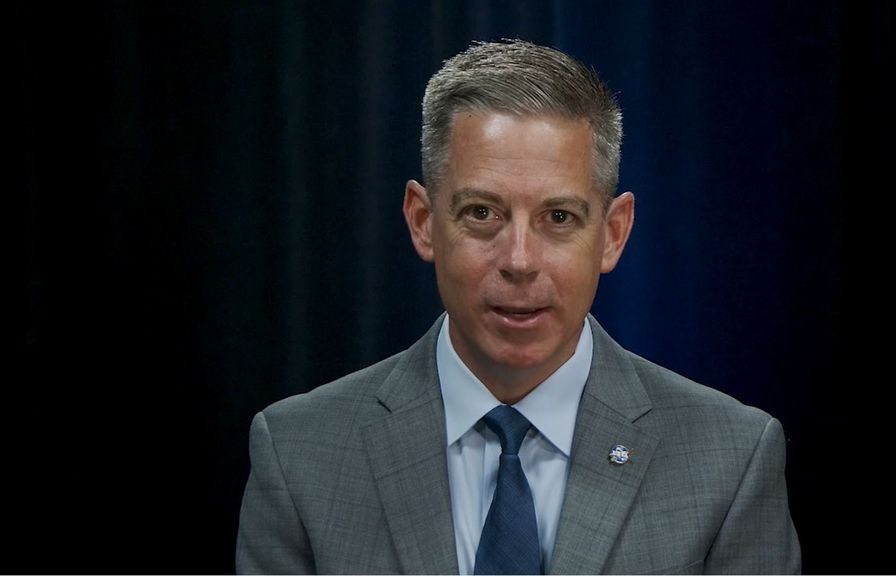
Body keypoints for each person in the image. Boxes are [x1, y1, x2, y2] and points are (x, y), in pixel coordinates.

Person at [236, 39, 800, 575]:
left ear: (612, 233)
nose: (520, 260)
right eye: (482, 213)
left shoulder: (730, 460)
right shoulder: (299, 457)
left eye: (559, 218)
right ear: (423, 221)